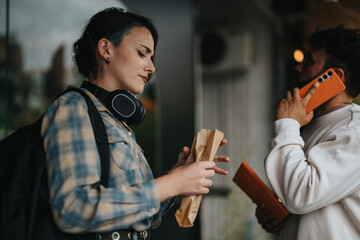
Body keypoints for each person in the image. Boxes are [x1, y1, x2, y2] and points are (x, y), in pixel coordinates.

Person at [41, 7, 229, 239]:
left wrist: (177, 178)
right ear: (105, 49)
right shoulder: (74, 108)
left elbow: (140, 219)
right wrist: (169, 185)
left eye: (152, 58)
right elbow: (73, 209)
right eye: (142, 53)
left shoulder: (114, 121)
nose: (151, 67)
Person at [255, 26, 360, 239]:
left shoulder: (355, 132)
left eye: (309, 61)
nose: (298, 68)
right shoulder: (307, 125)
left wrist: (287, 123)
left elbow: (301, 194)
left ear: (334, 77)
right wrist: (279, 214)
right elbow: (300, 200)